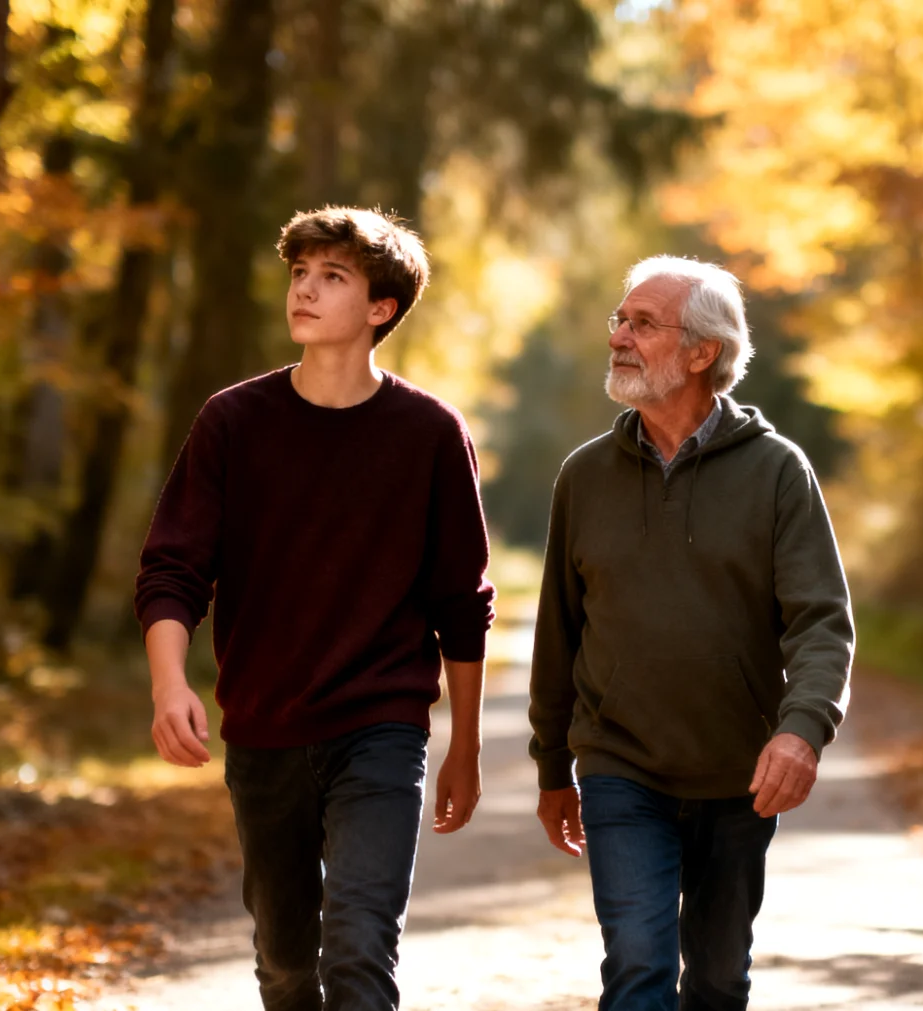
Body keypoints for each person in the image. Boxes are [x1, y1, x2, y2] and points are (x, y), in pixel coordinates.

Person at [135, 206, 494, 1011]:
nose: (304, 289)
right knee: (287, 963)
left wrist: (464, 748)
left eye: (333, 276)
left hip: (381, 727)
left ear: (380, 308)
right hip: (263, 727)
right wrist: (168, 684)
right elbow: (172, 568)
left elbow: (462, 602)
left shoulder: (431, 433)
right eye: (300, 273)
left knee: (360, 948)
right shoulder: (232, 421)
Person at [527, 255, 854, 1011]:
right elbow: (558, 630)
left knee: (716, 979)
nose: (619, 336)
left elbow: (820, 619)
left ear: (703, 351)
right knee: (637, 965)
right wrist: (551, 767)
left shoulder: (777, 471)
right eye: (620, 319)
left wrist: (802, 730)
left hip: (740, 773)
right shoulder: (585, 476)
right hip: (619, 764)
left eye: (643, 324)